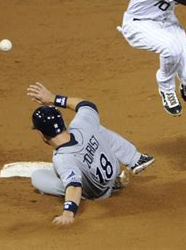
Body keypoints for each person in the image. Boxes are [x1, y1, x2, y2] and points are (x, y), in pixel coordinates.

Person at [26, 82, 155, 226]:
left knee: (38, 177)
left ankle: (99, 190)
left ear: (43, 135)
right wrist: (53, 98)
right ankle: (134, 158)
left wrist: (68, 212)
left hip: (98, 193)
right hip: (113, 172)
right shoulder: (81, 124)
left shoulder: (62, 158)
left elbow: (74, 186)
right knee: (95, 127)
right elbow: (87, 105)